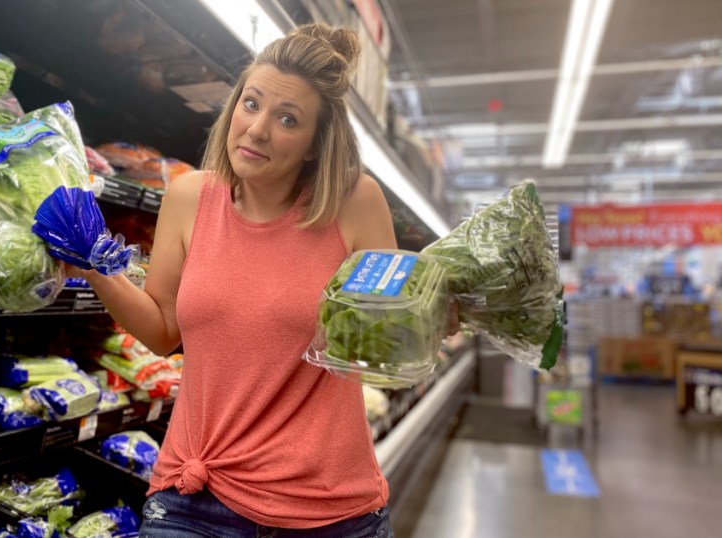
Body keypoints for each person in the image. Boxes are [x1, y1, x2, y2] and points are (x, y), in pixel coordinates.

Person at [74, 23, 457, 537]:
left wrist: (430, 316)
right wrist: (89, 265)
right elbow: (164, 331)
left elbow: (380, 340)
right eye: (251, 104)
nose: (257, 129)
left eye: (288, 119)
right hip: (195, 498)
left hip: (327, 510)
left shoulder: (355, 202)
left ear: (316, 145)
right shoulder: (188, 196)